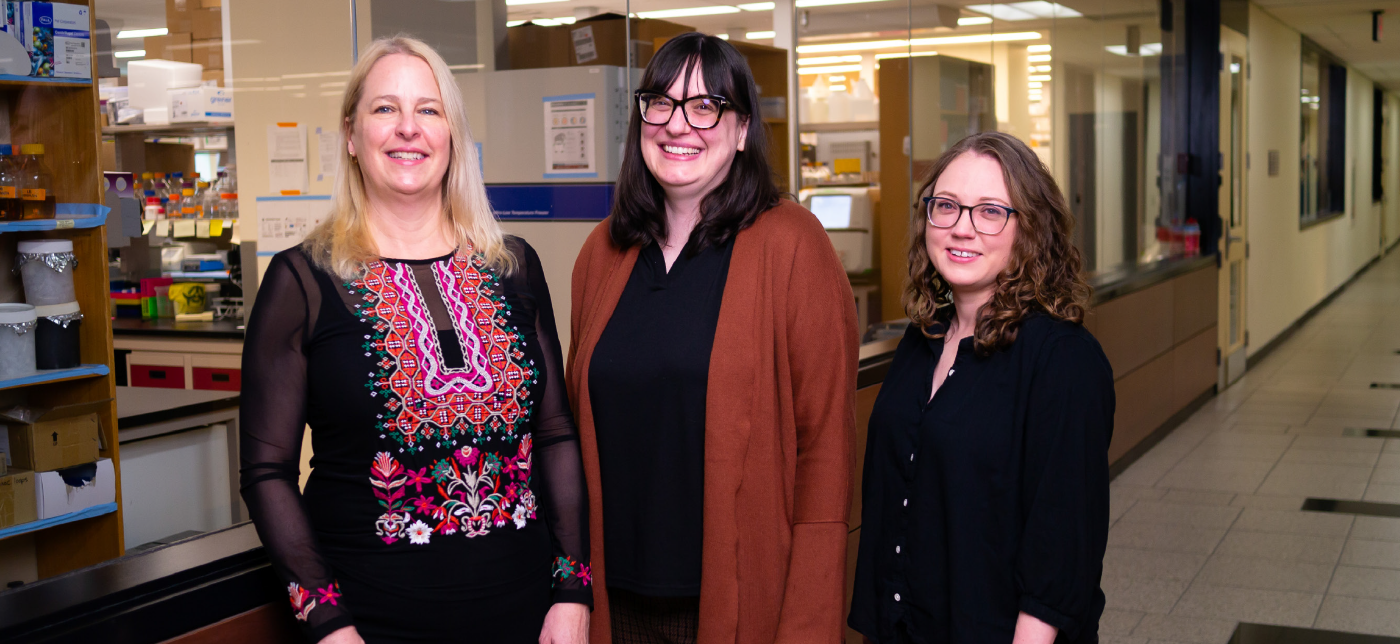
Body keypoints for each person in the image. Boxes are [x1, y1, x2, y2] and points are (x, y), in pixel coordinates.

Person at [239, 36, 590, 644]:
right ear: (351, 135)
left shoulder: (515, 267)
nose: (408, 129)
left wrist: (572, 590)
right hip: (373, 621)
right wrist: (327, 622)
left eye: (428, 110)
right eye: (384, 109)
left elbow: (555, 433)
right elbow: (265, 471)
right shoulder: (303, 281)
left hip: (527, 613)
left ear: (453, 135)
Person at [566, 32, 858, 644]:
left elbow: (826, 455)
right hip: (610, 605)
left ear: (742, 127)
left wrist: (806, 626)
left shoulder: (793, 245)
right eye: (661, 103)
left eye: (705, 106)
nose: (679, 125)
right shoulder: (602, 253)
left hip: (736, 602)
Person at [848, 132, 1114, 644]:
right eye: (946, 206)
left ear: (1031, 227)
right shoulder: (921, 339)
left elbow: (1061, 549)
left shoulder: (1063, 361)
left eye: (990, 211)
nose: (962, 228)